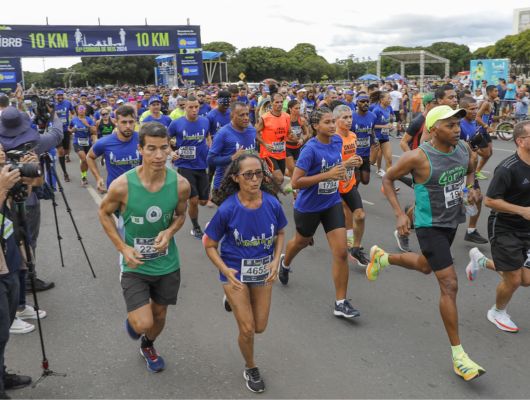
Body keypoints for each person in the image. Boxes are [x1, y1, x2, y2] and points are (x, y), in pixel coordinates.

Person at [367, 105, 486, 381]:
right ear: (433, 129)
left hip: (452, 219)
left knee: (424, 266)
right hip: (428, 224)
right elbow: (387, 179)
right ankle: (459, 356)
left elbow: (471, 172)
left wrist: (471, 190)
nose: (458, 129)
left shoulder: (463, 149)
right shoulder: (418, 158)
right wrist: (399, 214)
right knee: (449, 283)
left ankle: (382, 258)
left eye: (458, 124)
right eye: (450, 125)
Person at [98, 122, 190, 373]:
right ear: (140, 149)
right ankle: (138, 323)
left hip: (167, 262)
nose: (159, 155)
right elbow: (104, 213)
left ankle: (148, 344)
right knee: (143, 321)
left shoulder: (180, 185)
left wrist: (169, 231)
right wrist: (122, 248)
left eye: (164, 148)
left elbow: (181, 216)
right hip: (134, 263)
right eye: (151, 149)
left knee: (159, 316)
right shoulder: (122, 185)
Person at [203, 153, 286, 393]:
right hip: (235, 274)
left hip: (262, 272)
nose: (254, 179)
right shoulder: (228, 209)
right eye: (248, 175)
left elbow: (280, 232)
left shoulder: (271, 202)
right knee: (248, 329)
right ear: (237, 178)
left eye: (258, 173)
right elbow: (209, 244)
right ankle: (251, 366)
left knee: (260, 326)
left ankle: (231, 301)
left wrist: (275, 261)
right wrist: (223, 269)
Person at [278, 107, 360, 319]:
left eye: (334, 121)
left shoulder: (337, 142)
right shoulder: (309, 149)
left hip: (331, 202)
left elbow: (333, 166)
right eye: (328, 122)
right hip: (309, 207)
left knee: (341, 252)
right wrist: (328, 175)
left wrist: (347, 164)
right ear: (316, 127)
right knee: (301, 241)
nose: (333, 125)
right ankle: (285, 262)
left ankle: (341, 302)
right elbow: (296, 182)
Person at [465, 121, 530, 332]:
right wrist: (522, 210)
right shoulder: (507, 168)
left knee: (526, 280)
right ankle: (497, 311)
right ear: (520, 141)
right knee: (513, 279)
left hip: (526, 229)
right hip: (505, 227)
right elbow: (490, 201)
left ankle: (481, 261)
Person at [168, 96, 211, 239]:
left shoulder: (205, 121)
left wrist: (209, 146)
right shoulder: (176, 124)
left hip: (201, 165)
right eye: (190, 107)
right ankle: (196, 227)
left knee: (203, 202)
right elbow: (165, 140)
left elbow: (208, 135)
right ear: (184, 108)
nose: (194, 110)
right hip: (185, 165)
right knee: (193, 200)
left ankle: (182, 196)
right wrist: (171, 152)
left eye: (196, 107)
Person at [333, 105, 368, 265]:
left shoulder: (353, 136)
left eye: (350, 117)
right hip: (332, 186)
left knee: (359, 215)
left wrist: (358, 160)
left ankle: (356, 247)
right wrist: (347, 163)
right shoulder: (332, 139)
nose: (348, 121)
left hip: (348, 183)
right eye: (344, 118)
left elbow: (353, 157)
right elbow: (327, 164)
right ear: (336, 120)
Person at [87, 105, 141, 194]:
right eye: (124, 122)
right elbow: (89, 157)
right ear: (116, 122)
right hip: (115, 192)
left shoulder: (142, 139)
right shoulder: (104, 142)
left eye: (131, 122)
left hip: (138, 191)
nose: (128, 126)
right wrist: (98, 178)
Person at [208, 102, 257, 200]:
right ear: (232, 115)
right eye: (241, 115)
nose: (246, 118)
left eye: (247, 114)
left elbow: (254, 153)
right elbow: (210, 160)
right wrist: (232, 158)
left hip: (246, 184)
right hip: (225, 185)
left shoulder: (252, 131)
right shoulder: (223, 133)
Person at [458, 97, 488, 244]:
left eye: (476, 108)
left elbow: (471, 146)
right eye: (471, 108)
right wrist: (470, 147)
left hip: (469, 170)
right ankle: (411, 214)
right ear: (463, 110)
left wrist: (475, 147)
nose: (475, 111)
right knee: (446, 204)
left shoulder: (474, 122)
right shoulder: (458, 125)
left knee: (477, 198)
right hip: (457, 171)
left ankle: (471, 230)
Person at [255, 93, 291, 186]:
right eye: (276, 102)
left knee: (278, 181)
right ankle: (271, 197)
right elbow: (255, 133)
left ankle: (268, 195)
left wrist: (293, 136)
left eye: (281, 102)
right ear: (271, 103)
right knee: (279, 178)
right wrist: (265, 144)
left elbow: (289, 132)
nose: (279, 104)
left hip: (281, 153)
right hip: (268, 153)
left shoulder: (286, 116)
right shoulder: (265, 118)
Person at [351, 94, 377, 185]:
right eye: (362, 101)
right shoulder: (351, 117)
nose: (365, 103)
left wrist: (374, 143)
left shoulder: (373, 116)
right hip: (354, 154)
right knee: (356, 180)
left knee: (365, 181)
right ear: (357, 103)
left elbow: (372, 131)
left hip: (366, 154)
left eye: (367, 102)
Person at [69, 105, 96, 187]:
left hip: (87, 142)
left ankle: (83, 175)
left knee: (86, 160)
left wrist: (87, 124)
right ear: (77, 111)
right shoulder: (74, 120)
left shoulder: (89, 119)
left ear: (85, 110)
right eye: (79, 109)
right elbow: (69, 129)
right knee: (84, 159)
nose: (81, 110)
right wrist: (72, 130)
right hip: (77, 141)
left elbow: (94, 131)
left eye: (82, 109)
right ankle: (83, 178)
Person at [475, 85, 498, 180]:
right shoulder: (486, 103)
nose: (497, 92)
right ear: (489, 93)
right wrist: (486, 126)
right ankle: (471, 148)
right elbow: (477, 117)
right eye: (495, 91)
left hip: (485, 131)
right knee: (486, 153)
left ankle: (477, 171)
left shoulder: (493, 103)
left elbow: (490, 117)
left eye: (497, 91)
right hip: (480, 130)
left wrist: (502, 117)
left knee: (490, 152)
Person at [285, 100, 309, 179]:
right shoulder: (285, 119)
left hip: (297, 147)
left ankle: (284, 172)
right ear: (290, 109)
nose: (298, 110)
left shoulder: (301, 120)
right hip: (287, 147)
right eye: (296, 108)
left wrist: (302, 139)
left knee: (296, 171)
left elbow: (307, 133)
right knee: (292, 169)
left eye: (299, 108)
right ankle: (294, 190)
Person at [371, 91, 393, 177]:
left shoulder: (388, 108)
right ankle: (379, 169)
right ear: (382, 100)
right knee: (374, 159)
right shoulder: (376, 110)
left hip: (385, 137)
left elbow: (389, 120)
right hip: (376, 137)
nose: (390, 100)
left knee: (389, 159)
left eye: (390, 98)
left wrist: (391, 125)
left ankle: (389, 180)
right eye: (388, 98)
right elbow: (372, 125)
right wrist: (384, 126)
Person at [54, 89, 74, 181]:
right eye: (58, 95)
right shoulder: (52, 105)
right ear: (55, 96)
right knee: (60, 151)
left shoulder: (68, 103)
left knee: (66, 150)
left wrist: (72, 124)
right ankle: (65, 173)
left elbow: (73, 113)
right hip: (57, 131)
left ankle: (67, 155)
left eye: (61, 95)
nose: (60, 97)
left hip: (66, 130)